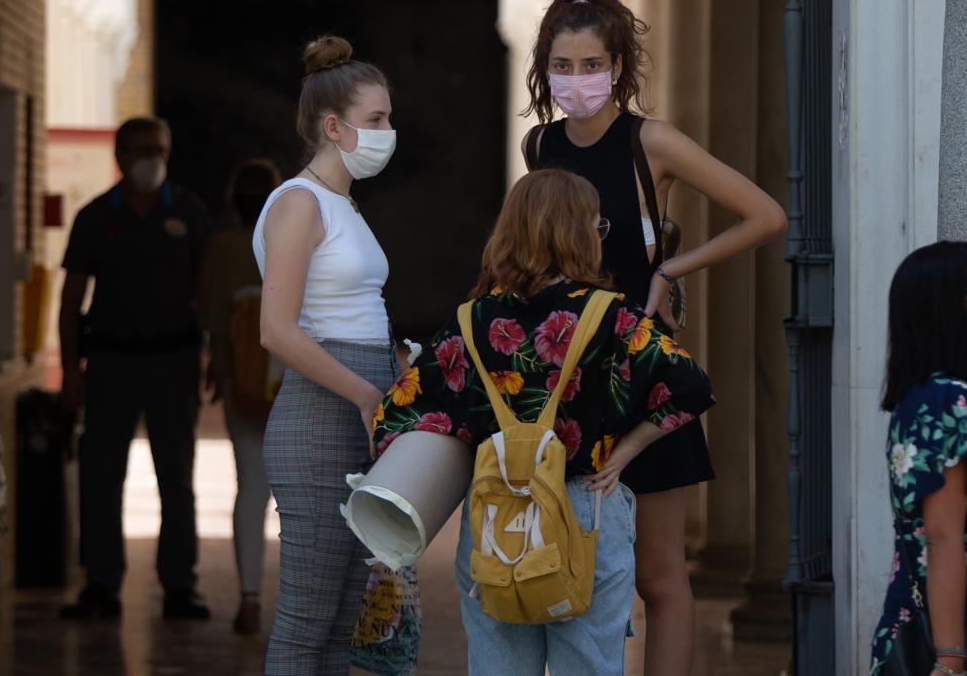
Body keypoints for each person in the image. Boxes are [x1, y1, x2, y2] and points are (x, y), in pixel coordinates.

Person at [520, 0, 787, 673]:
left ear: (618, 65)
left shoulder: (652, 142)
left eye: (590, 64)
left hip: (642, 378)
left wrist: (668, 271)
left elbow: (764, 215)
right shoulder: (539, 144)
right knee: (568, 561)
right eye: (563, 65)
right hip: (564, 383)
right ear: (544, 69)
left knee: (658, 577)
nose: (576, 80)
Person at [373, 169, 715, 676]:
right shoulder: (613, 316)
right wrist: (625, 451)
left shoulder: (472, 320)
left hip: (496, 510)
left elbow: (398, 413)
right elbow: (691, 387)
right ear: (579, 233)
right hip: (584, 507)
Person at [253, 35, 400, 673]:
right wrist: (367, 392)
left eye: (389, 117)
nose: (388, 131)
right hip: (318, 421)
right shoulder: (297, 202)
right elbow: (277, 331)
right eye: (376, 120)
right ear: (333, 127)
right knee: (306, 621)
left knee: (348, 623)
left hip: (354, 415)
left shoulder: (342, 204)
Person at [58, 116, 212, 620]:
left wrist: (213, 360)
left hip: (173, 363)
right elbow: (71, 299)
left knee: (177, 477)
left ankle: (179, 586)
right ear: (120, 156)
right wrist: (71, 371)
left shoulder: (189, 213)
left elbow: (206, 293)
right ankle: (100, 584)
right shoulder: (95, 217)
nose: (152, 157)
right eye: (142, 149)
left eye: (160, 148)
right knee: (101, 478)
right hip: (110, 364)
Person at [870, 241, 967, 675]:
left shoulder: (933, 397)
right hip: (949, 646)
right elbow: (941, 539)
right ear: (951, 307)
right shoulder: (944, 402)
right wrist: (951, 662)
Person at [200, 158, 282, 634]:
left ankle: (249, 596)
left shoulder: (221, 247)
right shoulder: (288, 242)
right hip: (291, 384)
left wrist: (221, 370)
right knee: (296, 497)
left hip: (242, 386)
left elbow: (212, 315)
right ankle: (300, 600)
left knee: (250, 488)